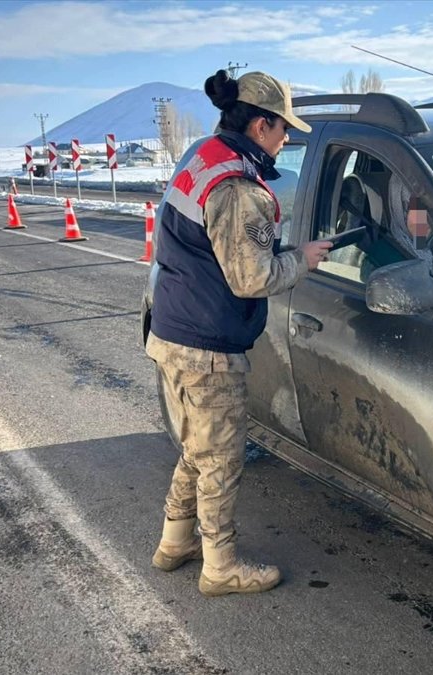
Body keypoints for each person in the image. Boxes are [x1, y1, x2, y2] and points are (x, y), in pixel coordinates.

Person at [145, 69, 332, 597]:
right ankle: (220, 566)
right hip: (207, 347)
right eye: (281, 129)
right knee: (222, 460)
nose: (286, 139)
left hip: (174, 327)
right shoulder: (237, 188)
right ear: (259, 125)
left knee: (198, 448)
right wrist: (303, 258)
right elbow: (252, 278)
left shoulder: (203, 155)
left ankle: (176, 541)